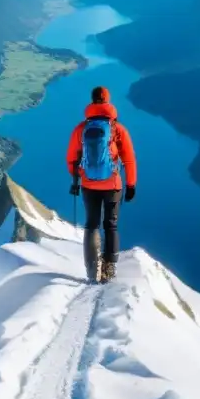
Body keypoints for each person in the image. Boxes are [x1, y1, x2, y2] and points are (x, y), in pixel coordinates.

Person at [67, 86, 137, 283]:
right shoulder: (117, 129)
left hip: (89, 184)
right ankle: (108, 271)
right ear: (108, 101)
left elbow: (71, 158)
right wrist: (131, 185)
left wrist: (79, 174)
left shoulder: (81, 129)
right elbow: (129, 159)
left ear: (92, 101)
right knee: (111, 225)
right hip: (113, 184)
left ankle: (91, 271)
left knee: (91, 225)